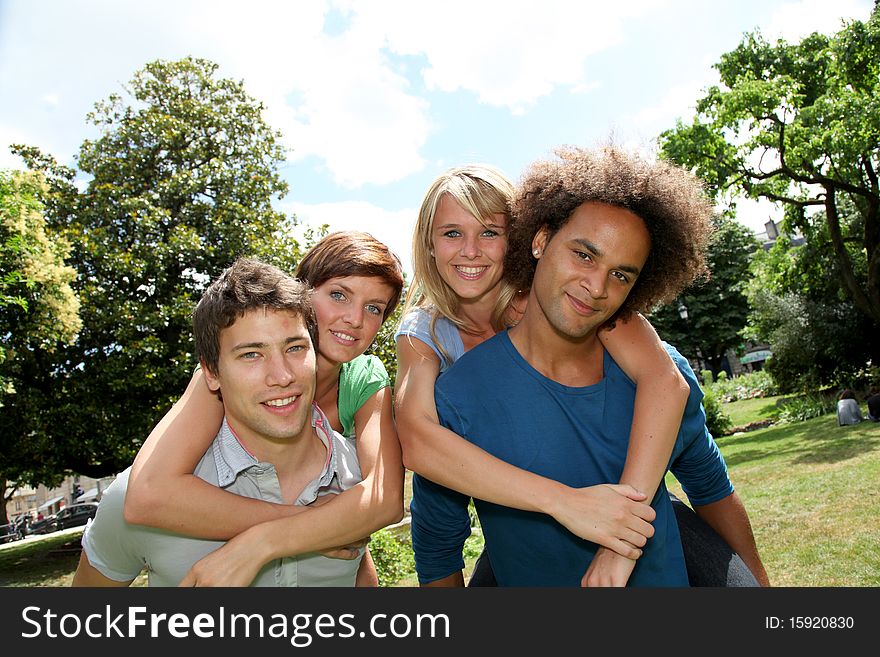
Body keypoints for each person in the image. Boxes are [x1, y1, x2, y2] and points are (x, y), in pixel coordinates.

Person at [409, 146, 769, 587]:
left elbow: (709, 483)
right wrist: (565, 504)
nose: (595, 286)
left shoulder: (655, 367)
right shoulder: (443, 374)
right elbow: (435, 536)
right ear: (540, 241)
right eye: (583, 254)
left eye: (621, 275)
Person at [119, 232, 405, 586]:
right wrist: (309, 522)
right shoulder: (232, 373)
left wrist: (265, 541)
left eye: (374, 308)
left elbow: (384, 498)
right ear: (302, 293)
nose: (354, 319)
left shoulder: (363, 379)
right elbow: (147, 494)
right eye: (338, 295)